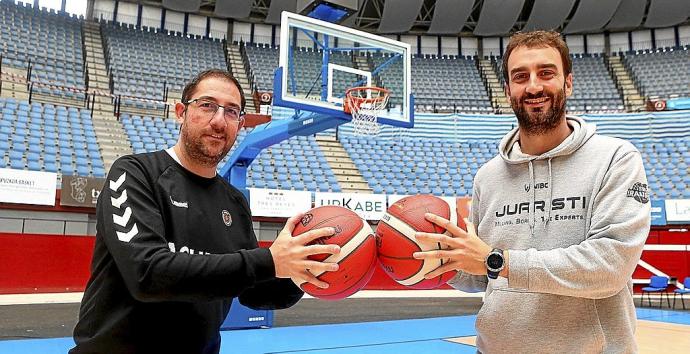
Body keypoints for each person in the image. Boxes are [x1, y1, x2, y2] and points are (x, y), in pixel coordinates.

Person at [71, 69, 340, 354]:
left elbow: (255, 291)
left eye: (232, 111)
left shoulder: (234, 203)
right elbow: (147, 274)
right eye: (207, 105)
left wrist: (306, 269)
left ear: (241, 124)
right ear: (180, 112)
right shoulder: (135, 174)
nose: (219, 121)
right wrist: (269, 260)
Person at [413, 31, 650, 353]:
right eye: (520, 77)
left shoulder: (615, 158)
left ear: (568, 83)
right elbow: (481, 275)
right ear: (508, 89)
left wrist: (497, 261)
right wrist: (427, 259)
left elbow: (610, 266)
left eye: (546, 73)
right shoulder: (489, 176)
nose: (534, 86)